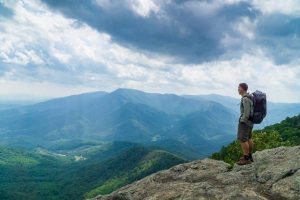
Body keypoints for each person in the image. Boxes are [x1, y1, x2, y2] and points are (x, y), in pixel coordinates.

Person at [237, 83, 254, 165]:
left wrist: (242, 120)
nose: (238, 89)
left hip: (245, 123)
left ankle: (246, 158)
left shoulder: (245, 99)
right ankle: (249, 156)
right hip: (250, 122)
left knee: (243, 140)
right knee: (249, 138)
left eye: (239, 88)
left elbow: (246, 113)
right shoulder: (249, 97)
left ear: (243, 89)